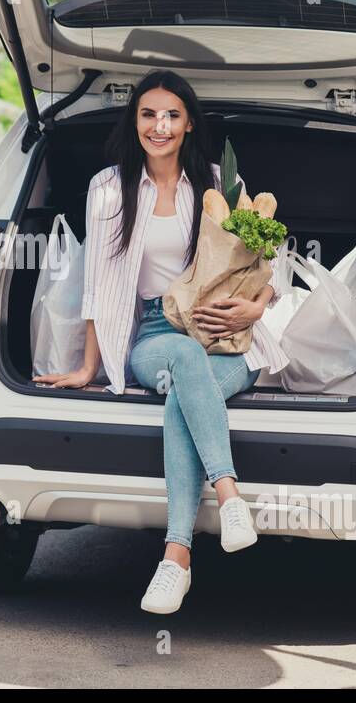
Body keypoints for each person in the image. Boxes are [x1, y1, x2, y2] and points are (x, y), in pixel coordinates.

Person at [33, 69, 290, 614]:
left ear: (189, 122)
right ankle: (228, 495)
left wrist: (257, 305)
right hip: (154, 333)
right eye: (148, 114)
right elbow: (98, 286)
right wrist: (87, 367)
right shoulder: (108, 189)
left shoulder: (221, 184)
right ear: (135, 122)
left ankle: (176, 560)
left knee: (185, 392)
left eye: (171, 114)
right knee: (182, 356)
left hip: (232, 337)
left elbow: (271, 266)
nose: (160, 125)